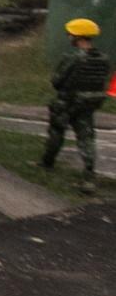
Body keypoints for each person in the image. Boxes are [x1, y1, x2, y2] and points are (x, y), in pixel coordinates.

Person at [43, 18, 110, 193]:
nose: (68, 37)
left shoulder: (72, 57)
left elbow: (57, 81)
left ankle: (47, 163)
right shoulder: (103, 58)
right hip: (88, 103)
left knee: (57, 132)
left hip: (67, 102)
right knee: (86, 138)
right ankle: (88, 175)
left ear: (77, 36)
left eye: (70, 34)